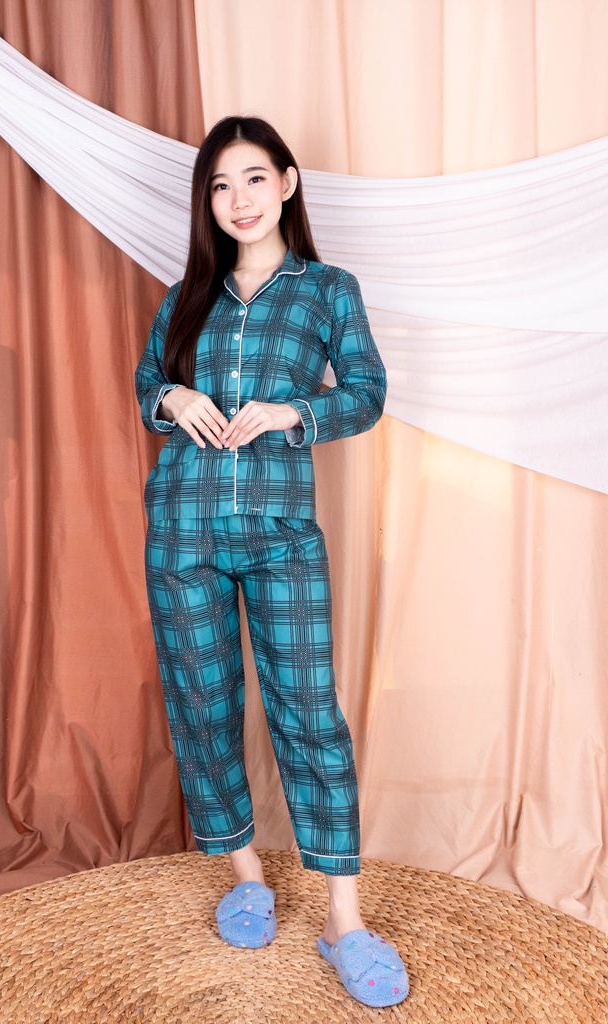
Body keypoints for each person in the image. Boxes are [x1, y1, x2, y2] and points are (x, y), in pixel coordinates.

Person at [135, 115, 408, 1008]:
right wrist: (171, 398)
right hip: (183, 528)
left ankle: (344, 922)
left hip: (282, 530)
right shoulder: (186, 295)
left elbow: (366, 392)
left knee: (308, 714)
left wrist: (298, 412)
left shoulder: (328, 290)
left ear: (287, 183)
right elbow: (146, 386)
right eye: (221, 186)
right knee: (203, 704)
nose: (238, 200)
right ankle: (246, 875)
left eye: (254, 178)